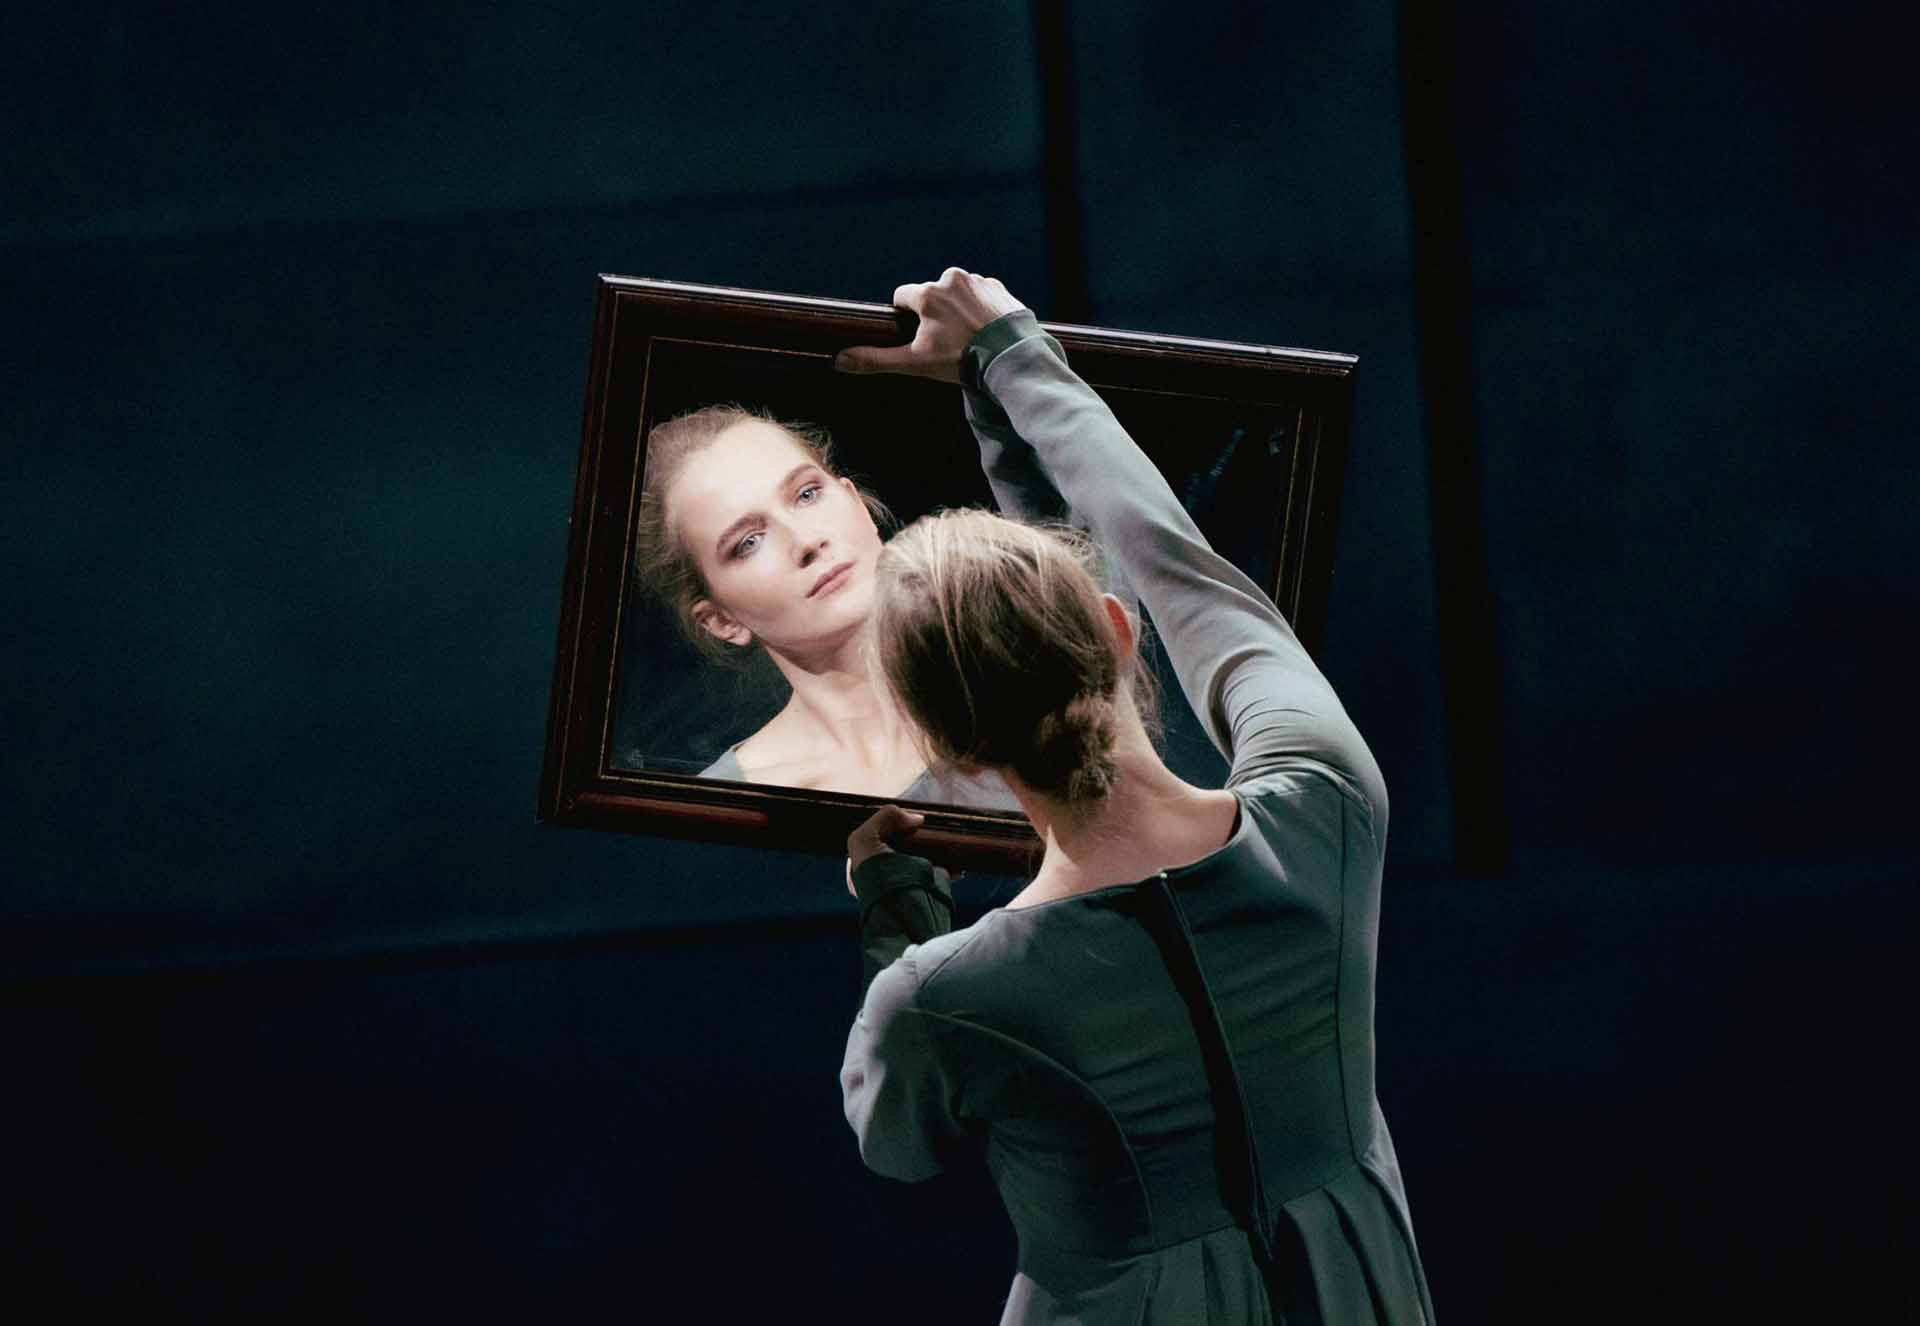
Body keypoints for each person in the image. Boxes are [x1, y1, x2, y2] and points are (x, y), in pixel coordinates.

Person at [836, 269, 1435, 1324]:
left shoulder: (940, 998)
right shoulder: (1326, 803)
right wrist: (1008, 357)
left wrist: (901, 909)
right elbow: (1170, 558)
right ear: (1117, 630)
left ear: (944, 747)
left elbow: (901, 1150)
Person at [633, 403, 1018, 807]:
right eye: (748, 542)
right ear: (719, 620)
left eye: (807, 494)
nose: (806, 541)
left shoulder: (1032, 678)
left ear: (857, 502)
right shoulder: (721, 810)